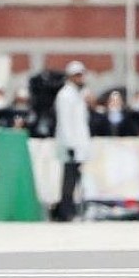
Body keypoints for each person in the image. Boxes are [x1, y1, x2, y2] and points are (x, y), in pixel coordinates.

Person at [52, 60, 91, 222]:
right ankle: (65, 211)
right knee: (69, 179)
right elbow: (65, 122)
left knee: (75, 178)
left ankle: (70, 209)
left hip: (78, 144)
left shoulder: (78, 94)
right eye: (77, 75)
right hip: (70, 145)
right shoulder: (65, 95)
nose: (80, 78)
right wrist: (70, 144)